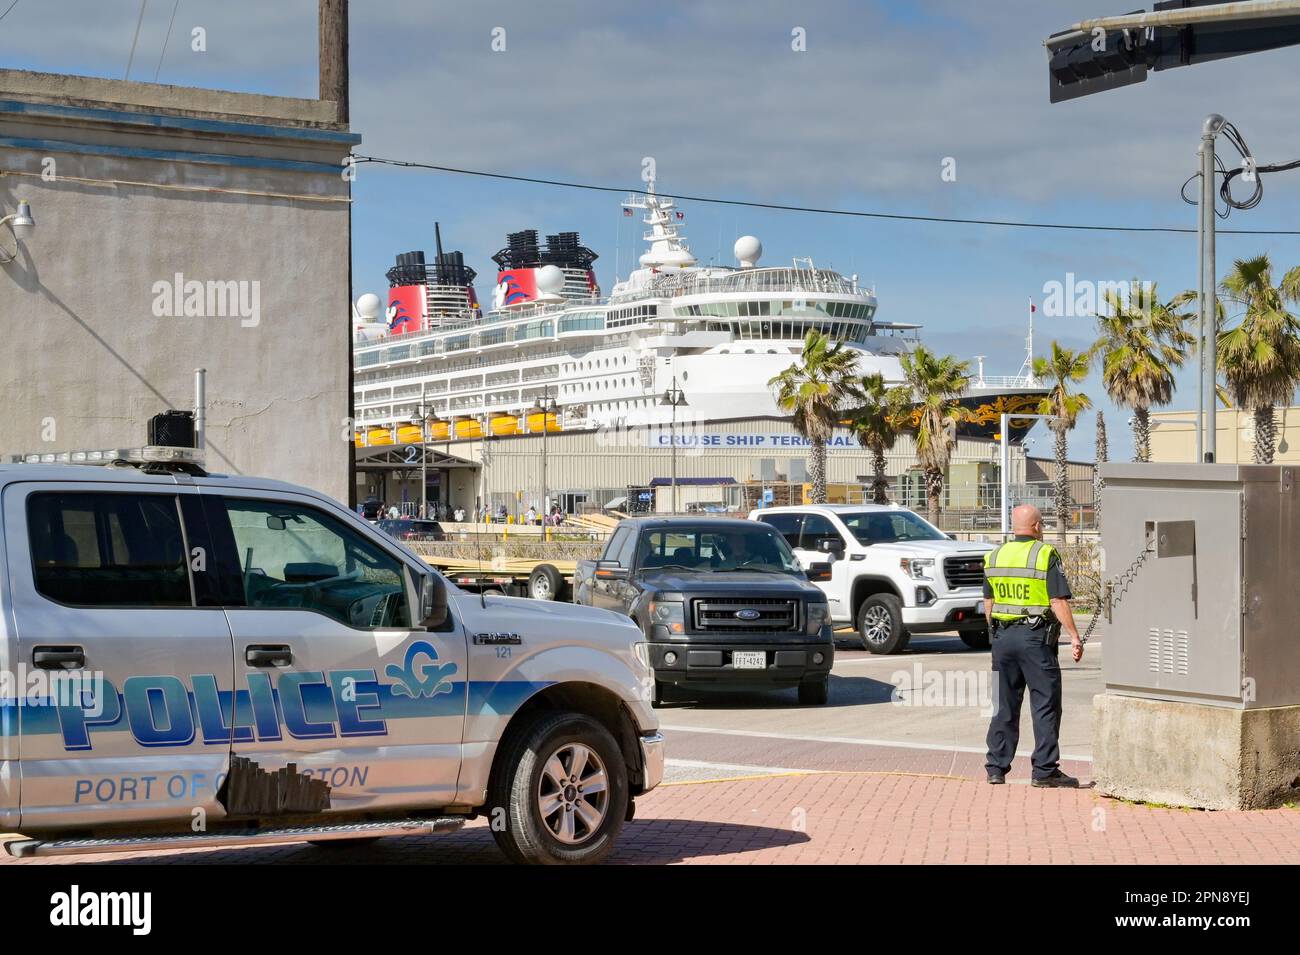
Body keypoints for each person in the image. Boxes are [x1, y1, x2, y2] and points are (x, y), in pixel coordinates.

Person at [983, 504, 1082, 788]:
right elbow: (1057, 601)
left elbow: (988, 604)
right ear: (1037, 526)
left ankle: (996, 768)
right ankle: (1044, 770)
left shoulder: (995, 555)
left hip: (1002, 639)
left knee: (1004, 705)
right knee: (1045, 704)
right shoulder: (1044, 554)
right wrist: (1074, 636)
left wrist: (997, 635)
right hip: (1035, 639)